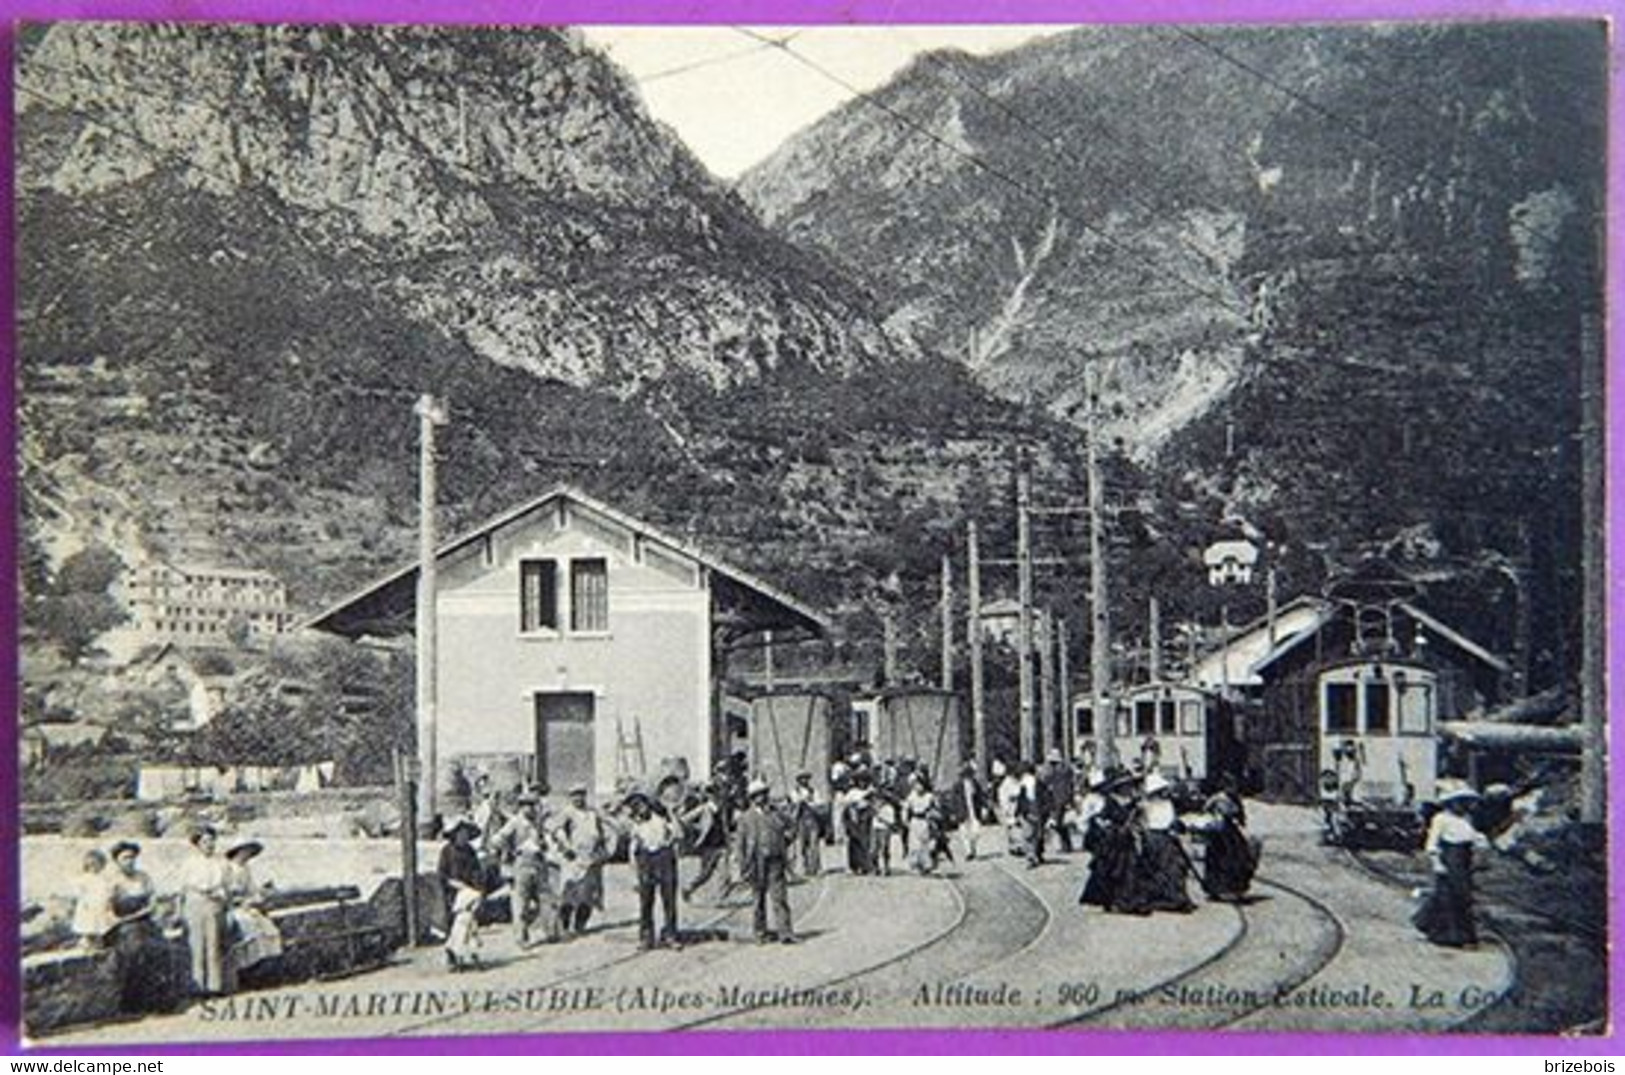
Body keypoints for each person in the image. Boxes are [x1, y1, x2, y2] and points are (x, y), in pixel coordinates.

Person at [1414, 782, 1491, 948]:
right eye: (1459, 801)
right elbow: (1432, 844)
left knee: (1462, 895)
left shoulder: (1466, 820)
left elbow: (1469, 836)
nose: (1462, 805)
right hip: (1450, 858)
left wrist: (1480, 840)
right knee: (1450, 896)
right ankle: (1449, 935)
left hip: (1464, 859)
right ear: (1450, 802)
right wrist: (1437, 863)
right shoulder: (1441, 819)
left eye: (1464, 801)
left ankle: (1458, 933)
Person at [105, 841, 174, 1014]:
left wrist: (148, 911)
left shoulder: (143, 877)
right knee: (136, 951)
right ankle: (133, 1003)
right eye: (125, 858)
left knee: (163, 950)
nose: (130, 861)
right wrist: (124, 918)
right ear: (116, 861)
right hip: (123, 926)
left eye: (132, 857)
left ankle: (159, 1003)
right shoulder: (111, 881)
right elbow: (107, 909)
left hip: (145, 922)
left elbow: (153, 901)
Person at [492, 792, 557, 946]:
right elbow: (497, 840)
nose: (530, 809)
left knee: (546, 899)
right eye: (526, 805)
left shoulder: (537, 823)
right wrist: (510, 851)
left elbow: (545, 843)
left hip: (539, 863)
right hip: (521, 864)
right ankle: (521, 937)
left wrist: (543, 845)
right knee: (521, 903)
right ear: (521, 807)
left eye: (532, 805)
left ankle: (550, 932)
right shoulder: (515, 822)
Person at [737, 779, 795, 943]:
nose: (761, 798)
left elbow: (791, 826)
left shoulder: (776, 813)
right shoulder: (745, 818)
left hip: (775, 861)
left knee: (780, 897)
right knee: (758, 900)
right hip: (756, 863)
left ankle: (786, 932)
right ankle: (760, 932)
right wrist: (743, 866)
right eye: (757, 796)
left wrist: (786, 839)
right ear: (752, 798)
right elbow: (739, 845)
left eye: (763, 794)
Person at [625, 791, 682, 950]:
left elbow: (678, 834)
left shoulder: (662, 819)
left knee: (669, 900)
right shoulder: (636, 826)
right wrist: (634, 875)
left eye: (641, 805)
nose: (639, 810)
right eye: (635, 807)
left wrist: (672, 815)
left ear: (648, 804)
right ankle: (646, 938)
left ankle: (670, 935)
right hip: (646, 861)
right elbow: (632, 851)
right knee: (646, 902)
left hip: (664, 858)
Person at [179, 824, 231, 996]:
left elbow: (226, 886)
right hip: (195, 904)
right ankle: (198, 985)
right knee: (196, 946)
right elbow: (182, 888)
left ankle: (214, 986)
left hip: (214, 904)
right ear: (197, 844)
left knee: (214, 945)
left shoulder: (222, 862)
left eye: (211, 840)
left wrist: (222, 899)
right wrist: (180, 911)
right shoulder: (189, 863)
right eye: (204, 841)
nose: (209, 844)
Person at [551, 784, 608, 935]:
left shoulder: (592, 813)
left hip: (590, 858)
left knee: (587, 895)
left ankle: (580, 925)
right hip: (572, 859)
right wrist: (566, 845)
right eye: (574, 795)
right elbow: (556, 830)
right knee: (569, 894)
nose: (578, 798)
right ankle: (564, 925)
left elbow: (601, 833)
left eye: (580, 794)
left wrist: (601, 851)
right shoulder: (567, 813)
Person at [223, 839, 284, 979]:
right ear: (239, 851)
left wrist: (261, 892)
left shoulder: (246, 869)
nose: (248, 855)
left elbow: (252, 890)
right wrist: (240, 901)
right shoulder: (228, 869)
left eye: (250, 852)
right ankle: (246, 967)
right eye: (246, 851)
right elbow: (225, 894)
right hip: (233, 910)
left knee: (269, 929)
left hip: (247, 907)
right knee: (248, 927)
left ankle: (263, 964)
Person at [1134, 773, 1195, 913]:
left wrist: (1175, 829)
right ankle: (1158, 897)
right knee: (1154, 867)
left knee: (1174, 866)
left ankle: (1173, 897)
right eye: (1159, 791)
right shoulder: (1144, 805)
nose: (1162, 793)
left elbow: (1172, 821)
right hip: (1152, 837)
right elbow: (1140, 822)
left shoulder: (1168, 804)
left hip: (1166, 837)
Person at [1199, 778, 1258, 902]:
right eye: (1230, 786)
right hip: (1220, 832)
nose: (1232, 789)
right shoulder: (1219, 798)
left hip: (1229, 831)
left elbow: (1240, 818)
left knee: (1237, 858)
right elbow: (1207, 809)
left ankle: (1233, 888)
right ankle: (1218, 889)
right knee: (1222, 859)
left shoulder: (1232, 798)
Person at [438, 818, 485, 970]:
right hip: (452, 894)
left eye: (466, 834)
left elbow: (477, 871)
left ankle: (470, 955)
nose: (463, 837)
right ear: (455, 835)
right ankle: (453, 956)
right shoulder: (447, 851)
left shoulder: (470, 851)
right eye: (461, 834)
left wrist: (478, 890)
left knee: (470, 924)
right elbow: (441, 874)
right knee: (454, 926)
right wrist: (452, 883)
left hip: (469, 893)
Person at [679, 783, 730, 903]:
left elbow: (725, 826)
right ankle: (688, 888)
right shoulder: (704, 808)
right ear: (708, 795)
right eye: (711, 793)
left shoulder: (722, 808)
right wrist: (697, 828)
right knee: (705, 874)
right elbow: (685, 819)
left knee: (725, 874)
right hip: (708, 845)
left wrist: (728, 842)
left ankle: (720, 898)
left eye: (716, 792)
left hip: (721, 844)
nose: (714, 795)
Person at [945, 761, 990, 862]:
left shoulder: (975, 783)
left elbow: (980, 796)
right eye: (966, 774)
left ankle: (972, 846)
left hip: (974, 810)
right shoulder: (957, 785)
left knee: (976, 832)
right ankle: (968, 852)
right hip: (962, 811)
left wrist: (984, 807)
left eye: (970, 774)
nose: (968, 776)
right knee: (964, 832)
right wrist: (953, 812)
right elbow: (953, 800)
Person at [70, 849, 112, 949]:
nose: (94, 867)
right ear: (87, 865)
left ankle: (98, 941)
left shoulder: (103, 879)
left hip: (99, 905)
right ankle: (86, 941)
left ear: (102, 865)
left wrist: (107, 900)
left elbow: (107, 891)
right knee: (87, 924)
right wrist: (84, 900)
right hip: (87, 905)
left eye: (97, 864)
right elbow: (79, 891)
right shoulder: (84, 878)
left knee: (98, 925)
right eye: (91, 864)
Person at [902, 773, 939, 874]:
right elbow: (906, 809)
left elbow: (936, 808)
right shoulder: (911, 797)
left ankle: (926, 864)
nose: (919, 787)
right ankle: (915, 865)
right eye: (916, 785)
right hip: (914, 821)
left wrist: (932, 815)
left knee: (924, 843)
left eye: (920, 785)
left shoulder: (929, 796)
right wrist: (905, 820)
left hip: (925, 821)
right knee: (914, 844)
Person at [789, 772, 823, 878]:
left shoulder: (813, 791)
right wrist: (801, 801)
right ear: (798, 780)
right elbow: (795, 803)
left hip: (812, 820)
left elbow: (818, 804)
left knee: (814, 844)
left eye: (806, 778)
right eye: (802, 778)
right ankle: (806, 866)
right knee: (803, 845)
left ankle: (815, 868)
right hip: (801, 820)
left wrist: (810, 803)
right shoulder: (795, 792)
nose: (804, 780)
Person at [1042, 749, 1076, 853]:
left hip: (1058, 799)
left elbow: (1046, 780)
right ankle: (1066, 845)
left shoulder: (1055, 771)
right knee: (1060, 823)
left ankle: (1066, 845)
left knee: (1058, 823)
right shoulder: (1067, 769)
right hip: (1065, 797)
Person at [842, 775, 876, 875]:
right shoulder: (853, 792)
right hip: (854, 819)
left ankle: (865, 865)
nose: (863, 783)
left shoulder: (870, 792)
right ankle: (854, 866)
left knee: (865, 843)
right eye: (861, 781)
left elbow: (873, 805)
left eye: (865, 781)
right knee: (854, 843)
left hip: (865, 820)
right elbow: (846, 802)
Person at [1018, 762, 1049, 868]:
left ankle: (1031, 856)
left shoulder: (1025, 783)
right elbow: (1046, 798)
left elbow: (1021, 800)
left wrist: (1018, 813)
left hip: (1030, 811)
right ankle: (1034, 855)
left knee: (1028, 836)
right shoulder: (1039, 783)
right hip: (1037, 811)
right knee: (1035, 835)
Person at [995, 761, 1025, 857]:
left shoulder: (1016, 781)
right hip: (1010, 807)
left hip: (1016, 807)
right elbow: (1003, 796)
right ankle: (1014, 847)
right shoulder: (1006, 783)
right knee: (1012, 828)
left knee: (1017, 828)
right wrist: (1006, 808)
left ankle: (1018, 847)